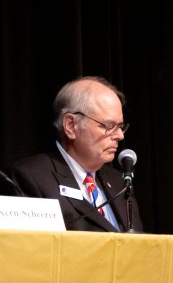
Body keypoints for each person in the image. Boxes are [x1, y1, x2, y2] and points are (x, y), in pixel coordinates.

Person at [8, 76, 142, 232]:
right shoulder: (31, 177)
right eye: (109, 125)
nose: (120, 135)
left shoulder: (120, 183)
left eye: (120, 126)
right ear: (71, 126)